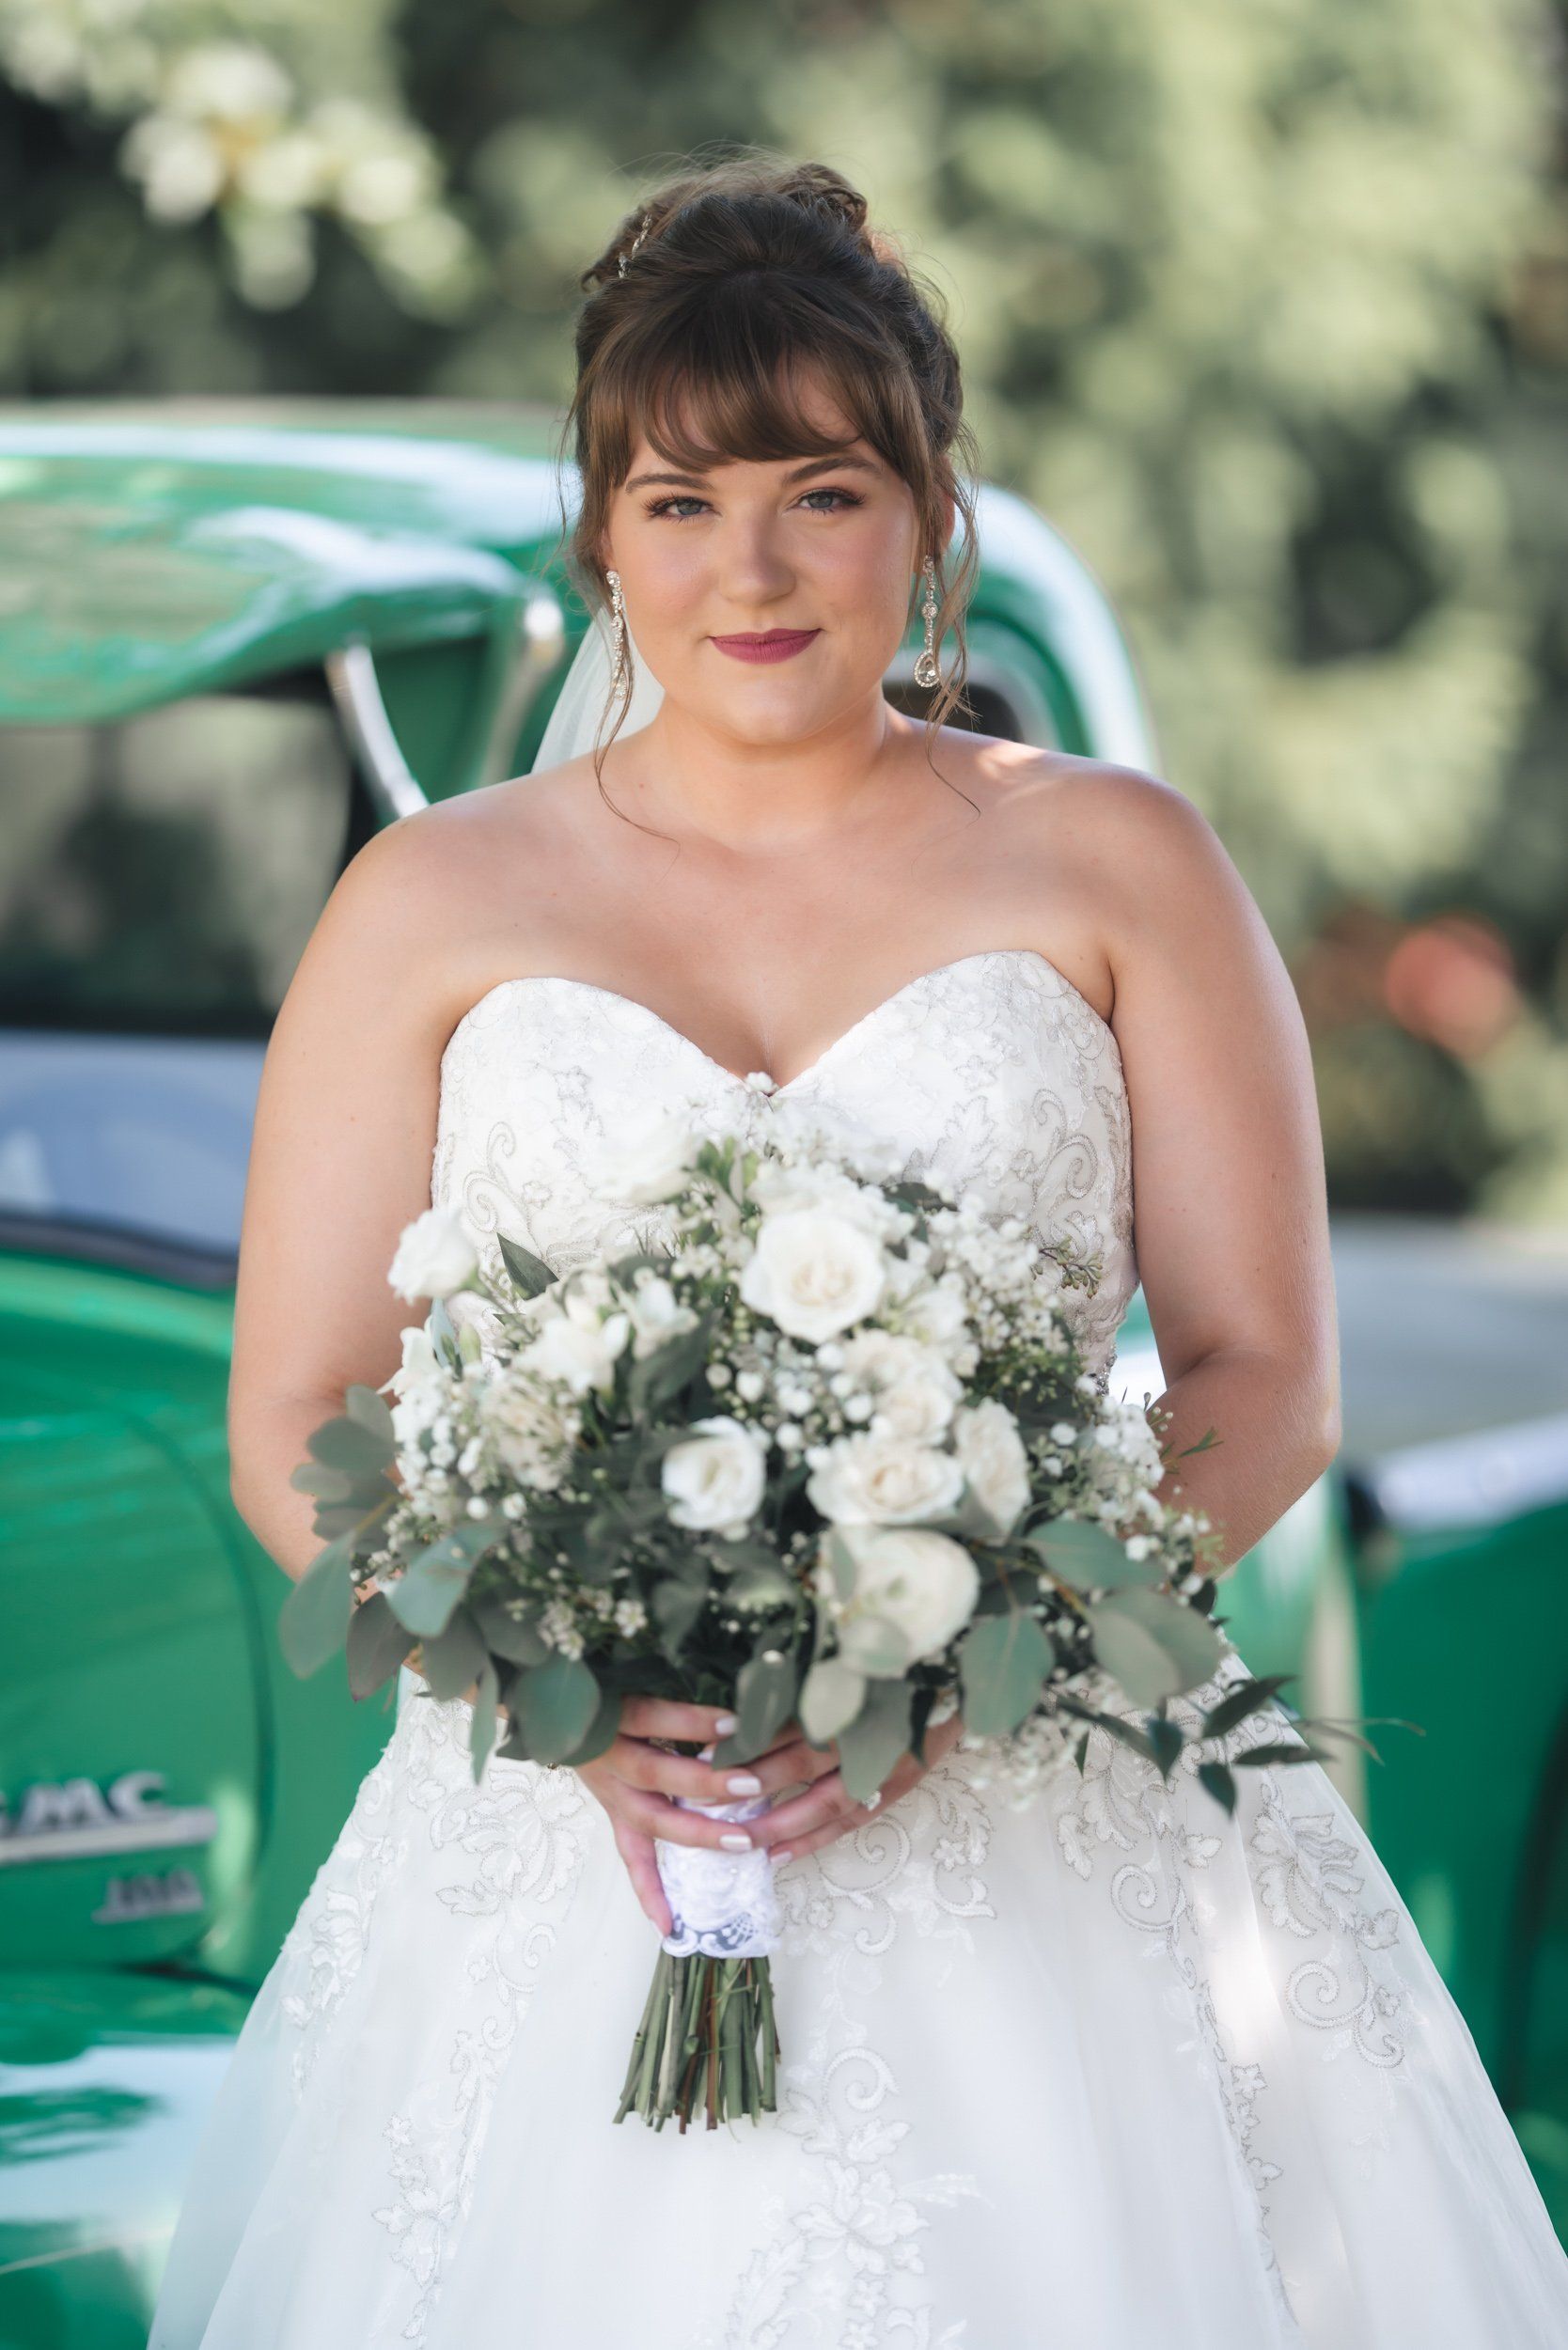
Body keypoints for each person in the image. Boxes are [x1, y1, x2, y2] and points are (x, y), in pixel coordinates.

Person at [148, 154, 1568, 2348]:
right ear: (602, 535)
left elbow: (1265, 1370)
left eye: (821, 489)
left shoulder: (1119, 861)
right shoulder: (428, 900)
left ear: (924, 512)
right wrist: (547, 1686)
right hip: (565, 1835)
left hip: (1047, 1803)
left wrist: (959, 1653)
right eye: (683, 500)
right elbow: (296, 1405)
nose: (753, 569)